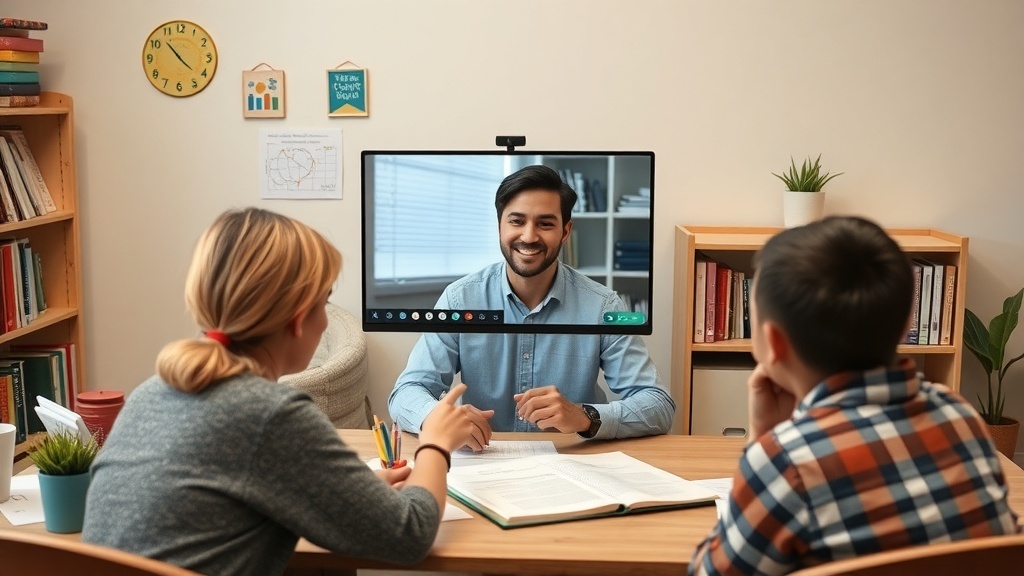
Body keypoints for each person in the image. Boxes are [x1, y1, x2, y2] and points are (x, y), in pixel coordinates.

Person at [83, 208, 479, 576]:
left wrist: (347, 495)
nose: (327, 321)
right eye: (324, 302)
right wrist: (435, 445)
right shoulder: (270, 413)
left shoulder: (150, 393)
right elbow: (408, 534)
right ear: (296, 319)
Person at [690, 216, 1020, 576]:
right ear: (909, 322)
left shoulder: (785, 463)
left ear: (772, 344)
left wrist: (762, 442)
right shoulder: (961, 418)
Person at [388, 165, 674, 450]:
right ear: (500, 225)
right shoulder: (459, 299)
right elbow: (406, 392)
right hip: (483, 461)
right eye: (516, 221)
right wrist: (437, 416)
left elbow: (658, 404)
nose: (528, 236)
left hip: (573, 462)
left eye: (545, 223)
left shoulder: (604, 305)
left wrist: (584, 416)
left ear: (565, 231)